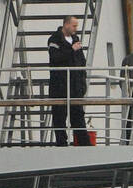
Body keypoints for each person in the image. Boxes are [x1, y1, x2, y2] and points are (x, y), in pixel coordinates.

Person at [48, 16, 90, 146]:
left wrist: (82, 83)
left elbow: (82, 61)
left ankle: (85, 145)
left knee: (78, 115)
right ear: (66, 25)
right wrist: (72, 50)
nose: (76, 28)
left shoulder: (76, 39)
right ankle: (62, 143)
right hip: (60, 86)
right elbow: (55, 58)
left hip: (75, 87)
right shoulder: (55, 39)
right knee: (59, 116)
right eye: (74, 26)